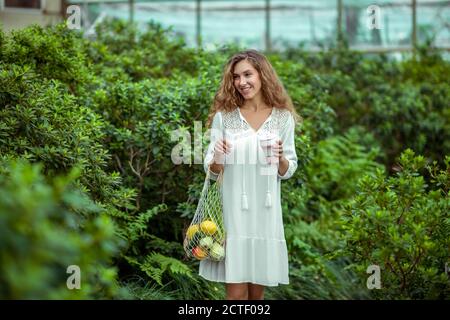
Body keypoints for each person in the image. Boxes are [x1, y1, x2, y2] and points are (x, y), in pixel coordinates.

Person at [200, 49, 301, 300]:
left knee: (256, 297)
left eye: (247, 74)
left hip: (265, 214)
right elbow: (211, 171)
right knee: (235, 295)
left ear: (262, 75)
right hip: (233, 211)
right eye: (236, 77)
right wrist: (217, 158)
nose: (241, 82)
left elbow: (289, 169)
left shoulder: (282, 118)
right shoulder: (225, 118)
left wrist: (279, 158)